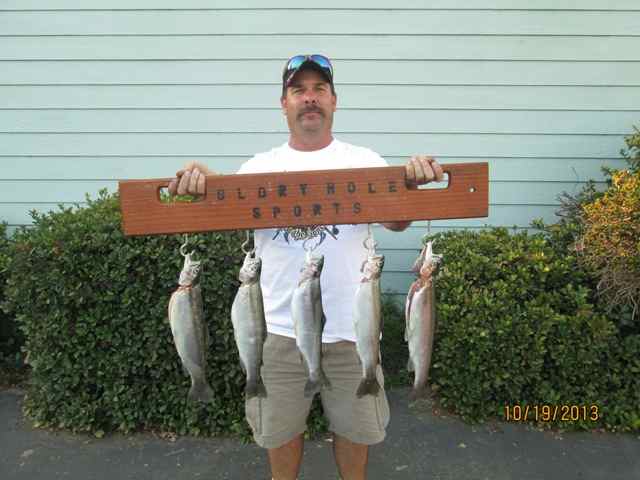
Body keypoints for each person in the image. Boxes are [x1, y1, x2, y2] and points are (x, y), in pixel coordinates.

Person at [168, 54, 444, 480]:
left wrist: (410, 184)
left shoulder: (364, 161)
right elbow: (224, 208)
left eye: (319, 90)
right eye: (299, 90)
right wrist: (204, 180)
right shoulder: (258, 168)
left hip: (354, 335)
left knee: (356, 434)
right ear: (284, 104)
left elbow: (397, 220)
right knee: (280, 436)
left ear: (334, 101)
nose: (309, 99)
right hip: (275, 333)